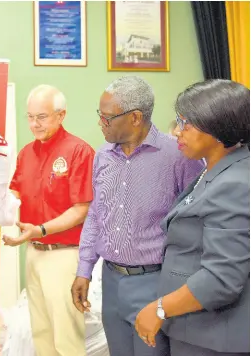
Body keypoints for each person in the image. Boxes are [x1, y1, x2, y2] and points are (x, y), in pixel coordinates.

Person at [71, 76, 204, 356]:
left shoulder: (178, 157)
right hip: (111, 279)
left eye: (106, 118)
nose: (100, 123)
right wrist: (84, 269)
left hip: (155, 281)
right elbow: (96, 215)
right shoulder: (103, 156)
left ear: (135, 118)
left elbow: (195, 222)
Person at [135, 79, 250, 356]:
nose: (176, 131)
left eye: (186, 123)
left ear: (219, 128)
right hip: (195, 326)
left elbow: (222, 278)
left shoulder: (235, 184)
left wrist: (160, 308)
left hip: (213, 335)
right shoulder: (214, 172)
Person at [3, 84, 95, 356]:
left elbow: (81, 209)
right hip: (34, 252)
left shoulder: (79, 151)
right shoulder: (26, 153)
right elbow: (13, 193)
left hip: (64, 255)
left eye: (41, 117)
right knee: (41, 334)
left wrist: (40, 230)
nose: (34, 124)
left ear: (61, 115)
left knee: (67, 337)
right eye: (30, 117)